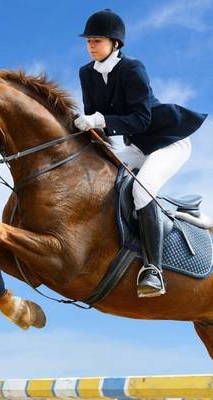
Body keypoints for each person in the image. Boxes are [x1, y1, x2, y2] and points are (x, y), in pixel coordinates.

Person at [74, 9, 207, 298]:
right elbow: (92, 119)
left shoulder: (133, 69)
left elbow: (141, 120)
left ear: (115, 43)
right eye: (88, 42)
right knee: (107, 184)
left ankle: (153, 270)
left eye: (96, 41)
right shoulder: (86, 73)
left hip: (168, 139)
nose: (90, 46)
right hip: (137, 145)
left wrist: (101, 120)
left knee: (141, 192)